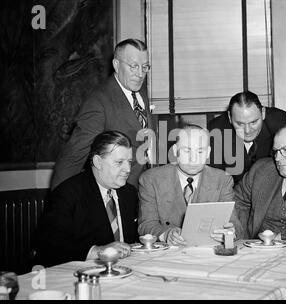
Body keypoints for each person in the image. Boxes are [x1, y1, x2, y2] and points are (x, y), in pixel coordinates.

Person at [50, 38, 155, 191]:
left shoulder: (140, 89)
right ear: (116, 65)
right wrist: (58, 203)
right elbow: (74, 156)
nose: (140, 74)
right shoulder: (98, 102)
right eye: (133, 66)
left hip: (143, 191)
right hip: (116, 195)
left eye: (145, 67)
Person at [36, 131, 139, 267]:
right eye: (119, 162)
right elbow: (51, 245)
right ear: (98, 162)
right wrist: (98, 251)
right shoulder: (68, 193)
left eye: (129, 162)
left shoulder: (129, 193)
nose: (127, 169)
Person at [138, 124, 242, 246]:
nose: (193, 159)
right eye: (187, 150)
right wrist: (166, 234)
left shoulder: (222, 180)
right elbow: (145, 225)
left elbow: (236, 226)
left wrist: (230, 232)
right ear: (175, 150)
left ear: (208, 152)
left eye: (200, 151)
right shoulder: (151, 179)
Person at [207, 91, 286, 185]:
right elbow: (215, 178)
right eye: (240, 124)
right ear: (230, 118)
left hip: (270, 187)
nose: (247, 131)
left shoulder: (279, 122)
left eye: (254, 122)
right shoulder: (217, 129)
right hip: (233, 190)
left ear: (263, 113)